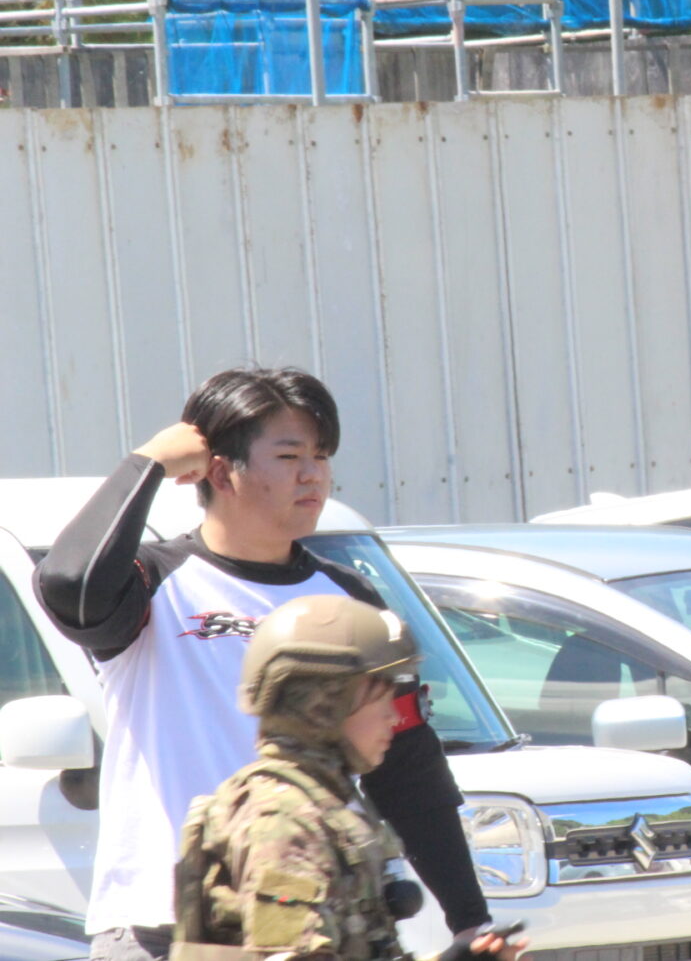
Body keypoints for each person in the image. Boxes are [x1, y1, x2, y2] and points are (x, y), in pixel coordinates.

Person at [34, 368, 490, 961]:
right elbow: (68, 581)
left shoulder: (347, 599)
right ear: (222, 472)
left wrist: (470, 920)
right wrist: (149, 463)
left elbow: (407, 764)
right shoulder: (153, 581)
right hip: (166, 928)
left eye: (321, 456)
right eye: (290, 455)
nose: (313, 474)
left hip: (319, 928)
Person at [172, 594, 522, 961]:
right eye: (382, 699)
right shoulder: (284, 821)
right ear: (322, 704)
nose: (394, 717)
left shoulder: (321, 807)